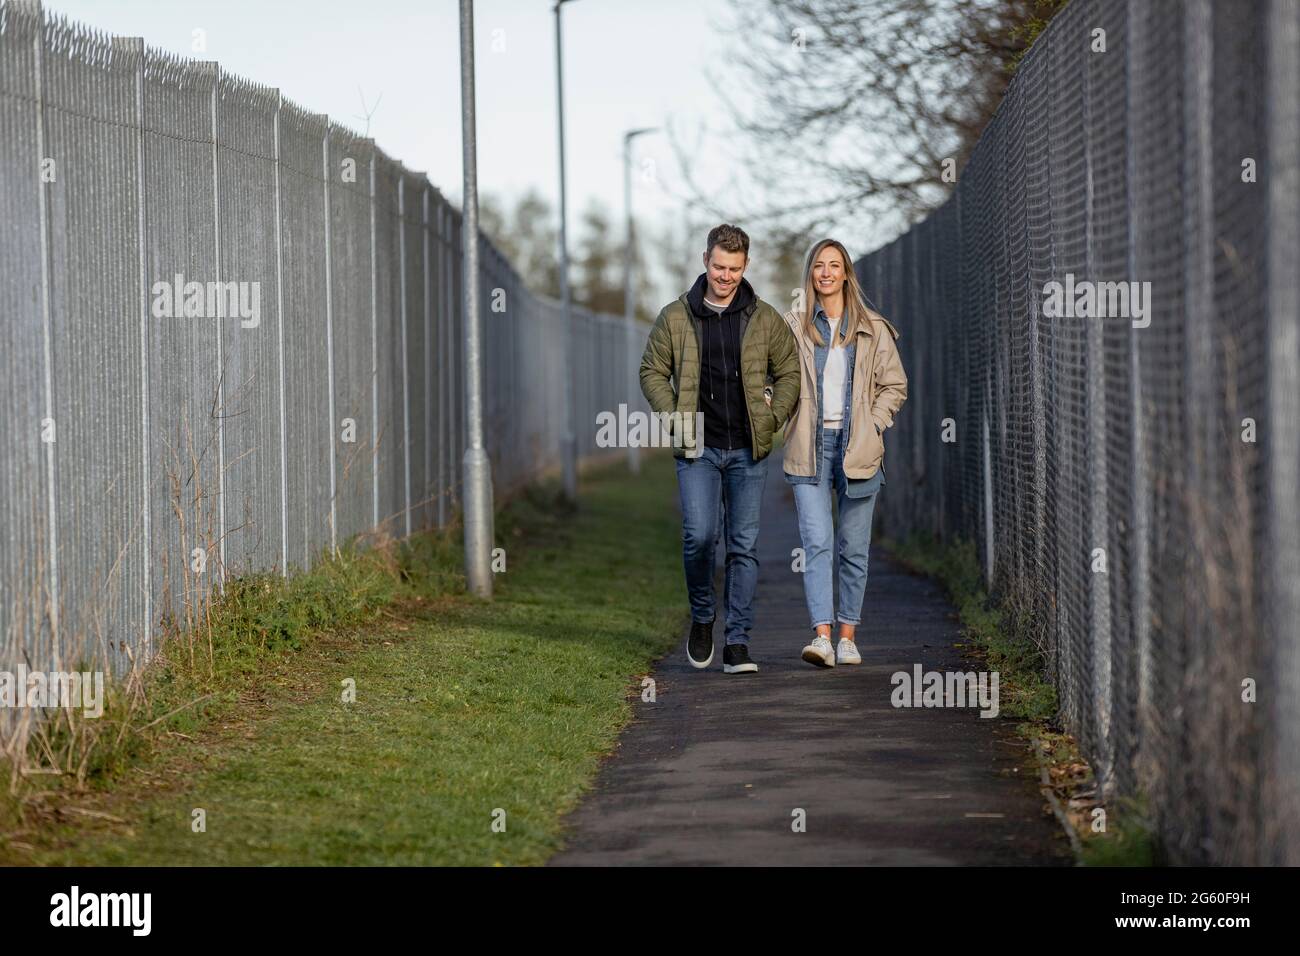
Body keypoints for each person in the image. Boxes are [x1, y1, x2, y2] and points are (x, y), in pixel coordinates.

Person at [639, 224, 800, 674]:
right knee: (699, 537)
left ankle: (738, 642)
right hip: (699, 451)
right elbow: (652, 370)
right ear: (704, 260)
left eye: (734, 268)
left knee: (743, 547)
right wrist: (675, 417)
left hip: (748, 451)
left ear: (745, 266)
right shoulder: (676, 317)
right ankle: (703, 615)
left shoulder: (764, 318)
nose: (725, 276)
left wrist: (770, 419)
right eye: (718, 266)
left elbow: (789, 373)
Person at [782, 238, 908, 668]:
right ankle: (821, 636)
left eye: (834, 265)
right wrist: (775, 412)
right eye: (819, 265)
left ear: (846, 273)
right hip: (809, 448)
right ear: (811, 274)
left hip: (858, 449)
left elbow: (895, 384)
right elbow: (772, 380)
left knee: (853, 547)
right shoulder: (794, 327)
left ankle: (848, 636)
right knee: (817, 542)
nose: (826, 273)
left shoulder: (872, 327)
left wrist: (874, 425)